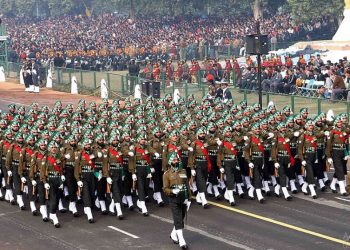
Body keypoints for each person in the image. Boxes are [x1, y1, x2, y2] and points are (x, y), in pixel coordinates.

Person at [163, 152, 191, 249]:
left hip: (183, 197)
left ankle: (173, 234)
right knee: (178, 218)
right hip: (173, 198)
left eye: (177, 159)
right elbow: (165, 188)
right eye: (174, 160)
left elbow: (187, 185)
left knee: (181, 218)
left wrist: (189, 198)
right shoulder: (166, 174)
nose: (176, 161)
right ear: (170, 162)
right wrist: (172, 191)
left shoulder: (183, 171)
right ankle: (182, 241)